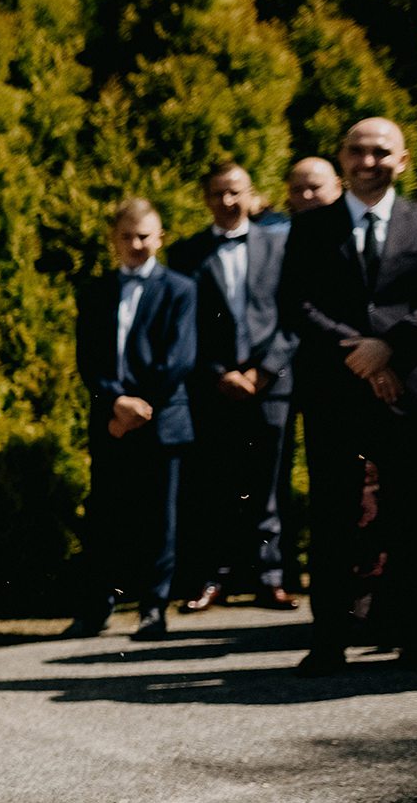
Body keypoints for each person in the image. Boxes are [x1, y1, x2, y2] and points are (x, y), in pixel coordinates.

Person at [279, 117, 417, 674]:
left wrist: (389, 349)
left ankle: (414, 641)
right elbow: (296, 302)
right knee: (332, 519)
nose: (368, 161)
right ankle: (328, 643)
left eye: (380, 151)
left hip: (407, 386)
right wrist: (358, 353)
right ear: (343, 157)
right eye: (357, 150)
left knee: (409, 520)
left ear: (402, 160)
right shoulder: (311, 226)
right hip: (335, 390)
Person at [165, 161, 298, 613]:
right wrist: (218, 372)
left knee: (269, 482)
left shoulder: (279, 245)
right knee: (214, 482)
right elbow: (184, 326)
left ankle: (270, 576)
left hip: (271, 383)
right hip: (214, 384)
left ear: (251, 193)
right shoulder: (186, 253)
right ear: (205, 198)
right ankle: (213, 576)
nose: (227, 201)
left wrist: (265, 370)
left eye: (235, 192)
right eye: (218, 193)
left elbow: (293, 315)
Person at [63, 199, 197, 642]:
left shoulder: (180, 289)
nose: (136, 244)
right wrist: (116, 403)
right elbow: (89, 358)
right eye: (127, 237)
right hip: (112, 421)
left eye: (144, 236)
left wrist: (139, 407)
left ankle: (153, 609)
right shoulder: (96, 291)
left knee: (160, 521)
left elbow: (179, 358)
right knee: (105, 519)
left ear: (160, 238)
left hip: (162, 420)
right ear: (113, 240)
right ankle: (95, 608)